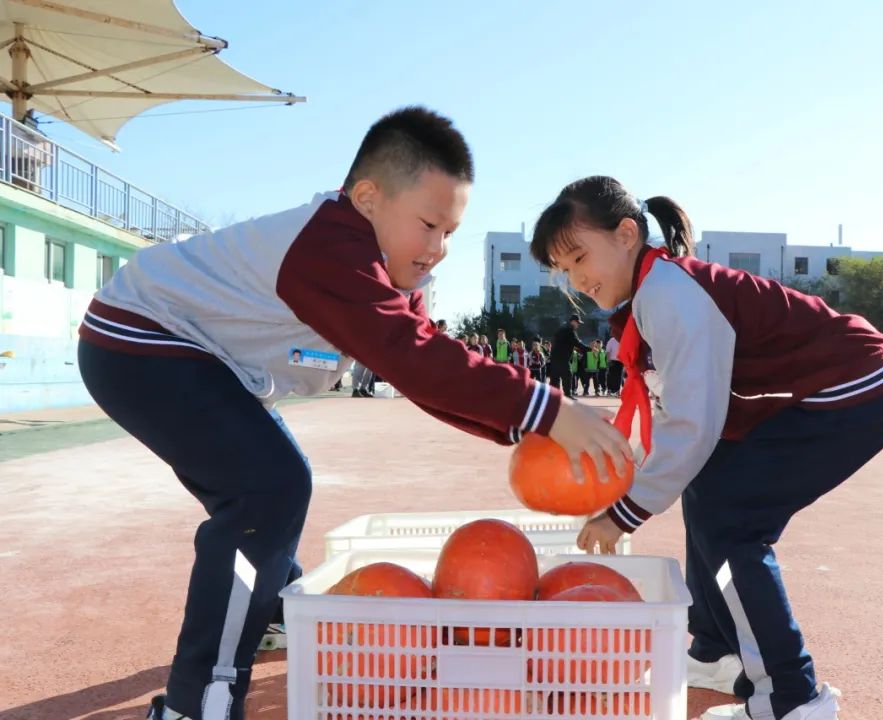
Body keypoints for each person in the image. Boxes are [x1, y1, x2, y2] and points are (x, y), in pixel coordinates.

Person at [78, 107, 630, 720]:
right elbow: (410, 355)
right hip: (139, 342)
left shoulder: (386, 270)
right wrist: (546, 408)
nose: (437, 249)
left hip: (196, 357)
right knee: (268, 487)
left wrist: (526, 422)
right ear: (367, 199)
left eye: (450, 232)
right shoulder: (331, 244)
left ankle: (269, 609)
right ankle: (199, 703)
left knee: (270, 483)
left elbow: (424, 369)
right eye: (428, 225)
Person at [530, 176, 883, 720]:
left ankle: (790, 697)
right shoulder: (653, 293)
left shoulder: (669, 293)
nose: (576, 279)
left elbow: (692, 424)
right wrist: (625, 478)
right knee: (707, 491)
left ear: (626, 234)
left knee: (732, 522)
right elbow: (678, 420)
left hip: (857, 388)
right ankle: (715, 648)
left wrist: (624, 511)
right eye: (563, 269)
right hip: (837, 387)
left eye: (579, 257)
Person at [549, 314, 590, 396]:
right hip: (563, 358)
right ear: (573, 322)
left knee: (555, 378)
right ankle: (567, 395)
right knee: (567, 375)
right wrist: (589, 349)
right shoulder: (570, 331)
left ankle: (553, 396)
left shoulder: (561, 329)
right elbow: (577, 343)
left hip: (554, 357)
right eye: (577, 322)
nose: (578, 325)